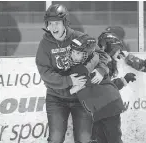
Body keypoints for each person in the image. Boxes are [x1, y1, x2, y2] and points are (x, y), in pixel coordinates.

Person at [35, 4, 110, 143]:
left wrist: (101, 69)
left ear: (64, 23)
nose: (53, 27)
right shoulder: (44, 44)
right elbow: (45, 72)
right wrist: (69, 80)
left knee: (84, 139)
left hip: (81, 98)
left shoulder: (78, 37)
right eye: (50, 24)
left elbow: (101, 55)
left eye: (56, 23)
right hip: (56, 98)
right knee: (55, 138)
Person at [88, 31, 137, 143]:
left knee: (108, 139)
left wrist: (123, 80)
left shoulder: (104, 64)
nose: (119, 52)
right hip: (104, 110)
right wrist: (123, 80)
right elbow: (104, 88)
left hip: (106, 110)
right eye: (117, 49)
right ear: (108, 48)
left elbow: (107, 87)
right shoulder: (98, 65)